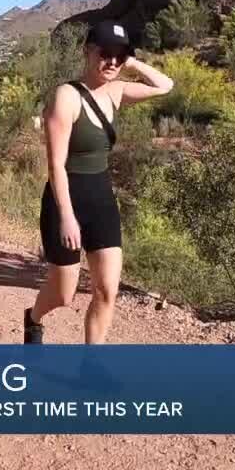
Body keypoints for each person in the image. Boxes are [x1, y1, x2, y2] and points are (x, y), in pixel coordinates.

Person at [23, 20, 173, 344]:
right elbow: (56, 165)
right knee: (64, 294)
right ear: (87, 52)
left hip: (102, 198)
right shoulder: (66, 96)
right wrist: (66, 217)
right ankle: (34, 318)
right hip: (65, 198)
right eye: (106, 53)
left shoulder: (117, 91)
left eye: (119, 57)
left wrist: (130, 59)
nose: (112, 62)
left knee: (107, 290)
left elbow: (165, 85)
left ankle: (91, 366)